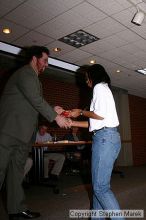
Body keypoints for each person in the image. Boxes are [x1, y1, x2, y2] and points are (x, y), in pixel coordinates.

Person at [0, 46, 71, 220]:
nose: (46, 65)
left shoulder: (36, 80)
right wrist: (55, 117)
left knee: (16, 174)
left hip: (24, 135)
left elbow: (34, 103)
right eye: (44, 60)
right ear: (34, 58)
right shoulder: (25, 73)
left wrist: (53, 108)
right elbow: (35, 100)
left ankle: (16, 210)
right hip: (9, 132)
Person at [67, 64, 124, 220]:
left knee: (100, 189)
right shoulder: (104, 90)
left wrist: (80, 112)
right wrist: (72, 122)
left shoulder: (99, 87)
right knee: (98, 188)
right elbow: (94, 124)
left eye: (86, 78)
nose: (86, 82)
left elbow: (99, 115)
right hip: (107, 137)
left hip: (105, 138)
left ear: (93, 76)